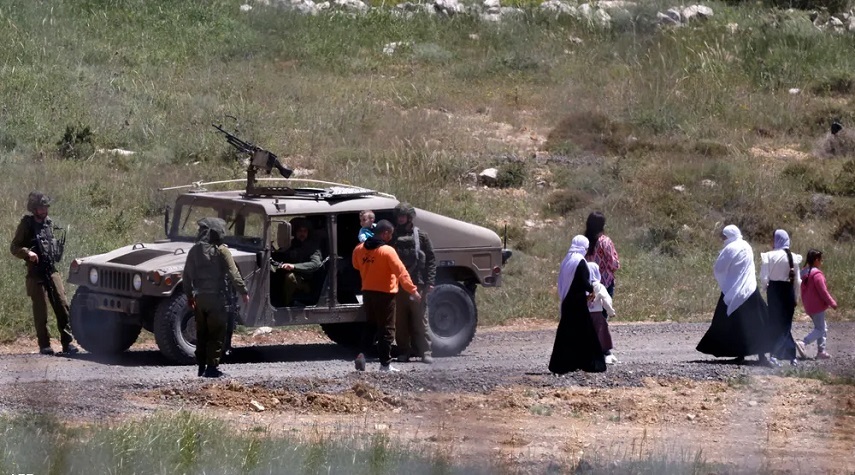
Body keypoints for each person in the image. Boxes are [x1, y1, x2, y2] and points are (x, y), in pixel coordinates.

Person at [9, 192, 79, 356]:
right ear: (34, 208)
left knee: (62, 304)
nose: (45, 210)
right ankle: (44, 345)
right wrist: (28, 253)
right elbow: (14, 247)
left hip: (51, 270)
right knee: (41, 310)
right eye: (41, 207)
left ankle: (68, 343)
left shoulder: (49, 223)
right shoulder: (27, 224)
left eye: (46, 207)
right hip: (35, 272)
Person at [183, 218, 250, 378]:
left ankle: (201, 366)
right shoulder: (222, 251)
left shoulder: (194, 251)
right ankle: (212, 368)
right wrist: (243, 291)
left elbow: (186, 275)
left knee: (202, 333)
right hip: (217, 299)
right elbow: (233, 273)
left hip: (200, 298)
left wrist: (190, 295)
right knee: (217, 333)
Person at [352, 220, 421, 372]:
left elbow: (356, 265)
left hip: (368, 293)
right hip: (385, 295)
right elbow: (401, 272)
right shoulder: (388, 251)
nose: (391, 237)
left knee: (370, 326)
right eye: (390, 234)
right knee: (387, 329)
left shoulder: (359, 249)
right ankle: (385, 364)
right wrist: (413, 290)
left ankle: (361, 355)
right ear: (385, 233)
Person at [697, 225, 772, 364]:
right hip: (750, 288)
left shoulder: (730, 248)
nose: (723, 239)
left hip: (733, 290)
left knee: (730, 324)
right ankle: (761, 354)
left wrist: (726, 283)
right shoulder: (746, 246)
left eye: (724, 236)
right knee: (758, 321)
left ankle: (739, 353)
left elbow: (719, 269)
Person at [549, 235, 606, 374]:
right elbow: (583, 281)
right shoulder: (580, 261)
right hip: (578, 303)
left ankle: (561, 365)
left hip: (567, 301)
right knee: (586, 332)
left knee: (566, 333)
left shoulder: (567, 260)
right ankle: (592, 364)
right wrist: (592, 290)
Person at [392, 202, 436, 364]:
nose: (400, 219)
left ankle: (426, 351)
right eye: (399, 216)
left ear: (409, 217)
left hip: (418, 284)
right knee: (400, 321)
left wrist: (430, 281)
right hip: (398, 285)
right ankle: (404, 351)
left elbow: (431, 259)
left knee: (420, 320)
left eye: (403, 216)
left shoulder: (421, 236)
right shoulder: (393, 236)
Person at [760, 229, 802, 366]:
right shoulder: (793, 257)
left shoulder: (768, 256)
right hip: (788, 290)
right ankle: (791, 356)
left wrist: (765, 288)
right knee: (786, 323)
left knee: (775, 322)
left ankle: (774, 354)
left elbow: (764, 278)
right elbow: (798, 281)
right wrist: (796, 297)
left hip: (774, 290)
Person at [797, 249, 837, 360]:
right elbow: (823, 292)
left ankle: (821, 351)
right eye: (820, 260)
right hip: (817, 306)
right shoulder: (817, 275)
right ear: (816, 260)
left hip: (808, 306)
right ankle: (803, 343)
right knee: (820, 329)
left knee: (822, 327)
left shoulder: (803, 272)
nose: (821, 262)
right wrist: (832, 303)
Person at [272, 218, 322, 306]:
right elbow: (282, 255)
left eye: (305, 231)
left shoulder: (312, 247)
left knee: (290, 277)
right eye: (300, 231)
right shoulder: (292, 244)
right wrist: (271, 252)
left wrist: (293, 266)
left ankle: (285, 306)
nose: (302, 234)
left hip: (306, 280)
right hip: (293, 274)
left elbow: (316, 264)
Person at [584, 211, 620, 297]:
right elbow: (614, 264)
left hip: (589, 284)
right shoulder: (605, 241)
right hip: (605, 283)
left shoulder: (584, 241)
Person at [587, 261, 617, 364]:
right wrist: (610, 311)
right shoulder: (599, 286)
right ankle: (606, 353)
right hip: (597, 314)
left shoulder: (580, 286)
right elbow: (605, 300)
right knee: (601, 334)